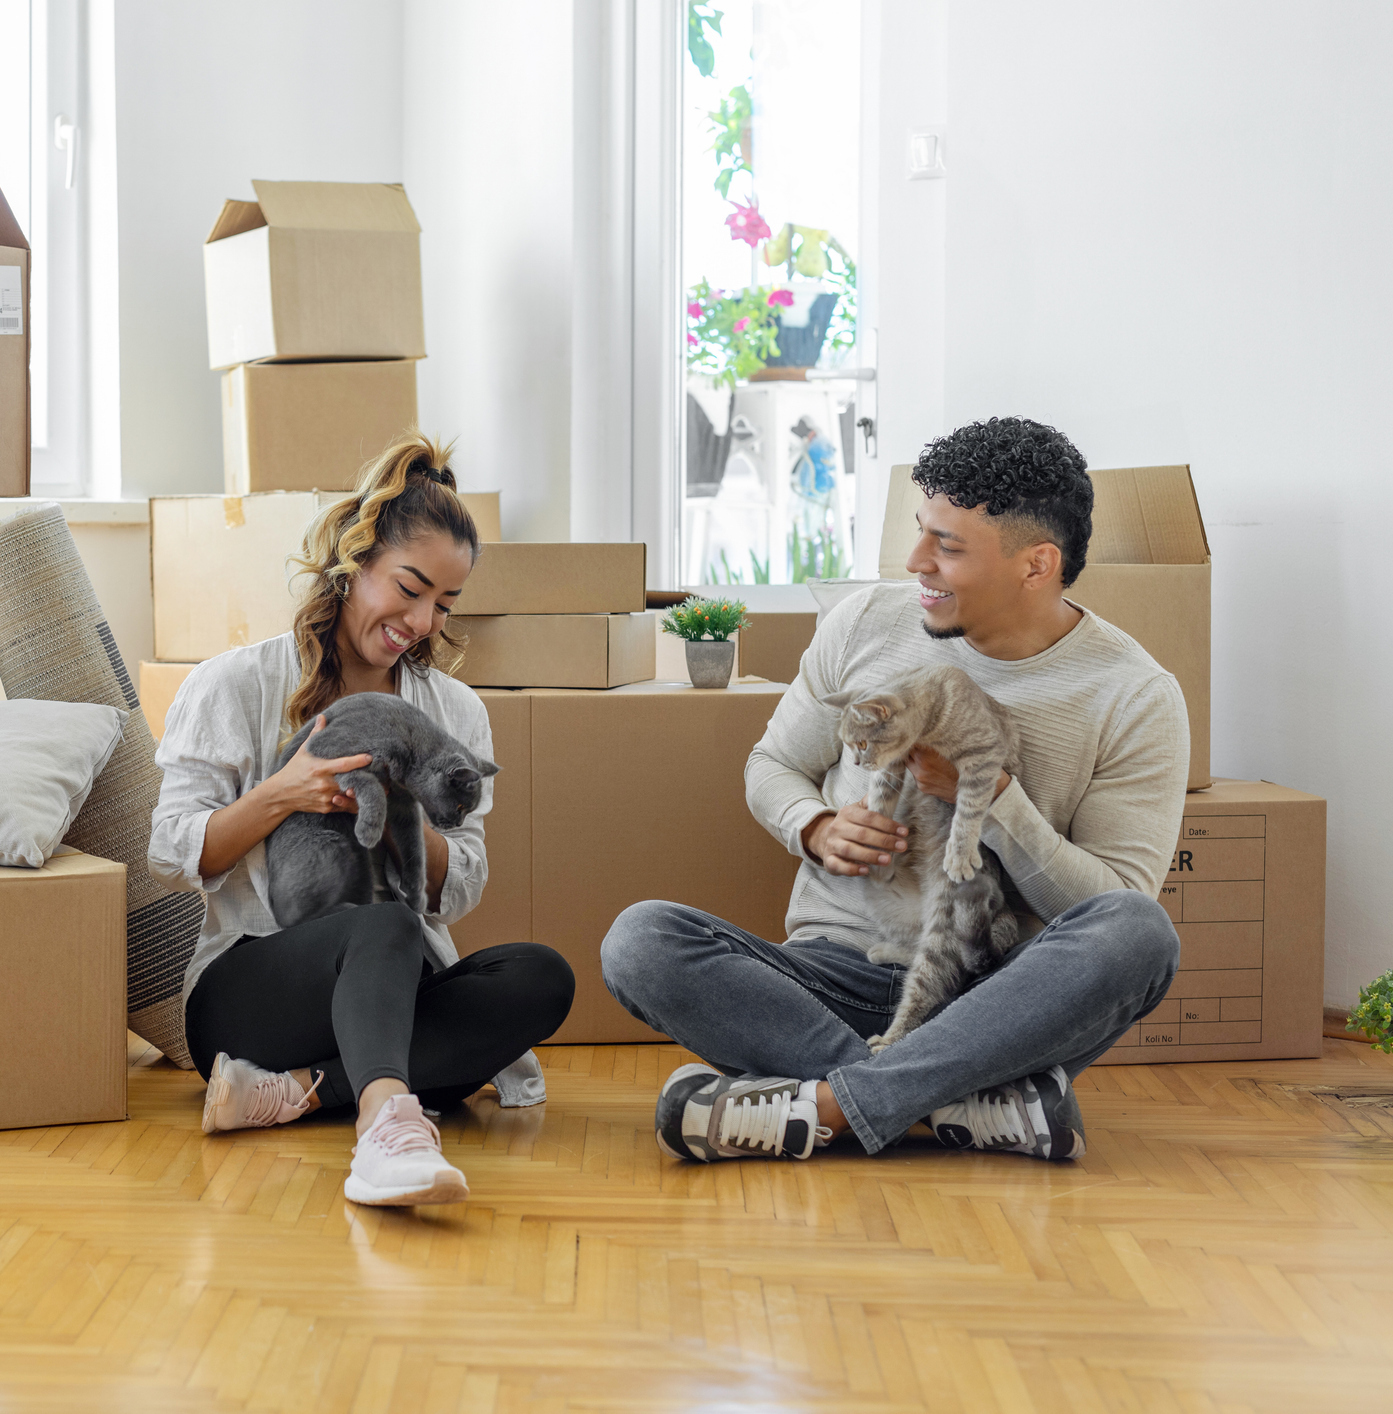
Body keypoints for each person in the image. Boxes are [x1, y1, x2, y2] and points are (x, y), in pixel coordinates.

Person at [602, 416, 1187, 1164]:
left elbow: (1106, 902)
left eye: (947, 546)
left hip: (996, 995)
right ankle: (955, 1105)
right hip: (833, 972)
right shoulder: (866, 622)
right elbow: (771, 765)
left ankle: (825, 1107)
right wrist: (813, 826)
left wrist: (994, 796)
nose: (915, 562)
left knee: (1137, 934)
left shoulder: (1133, 695)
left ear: (1035, 565)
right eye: (920, 532)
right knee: (641, 938)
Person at [148, 434, 575, 1206]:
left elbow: (466, 883)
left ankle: (300, 1092)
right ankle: (386, 1126)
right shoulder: (233, 684)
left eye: (442, 605)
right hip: (252, 987)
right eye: (408, 589)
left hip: (392, 985)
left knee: (541, 979)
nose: (419, 621)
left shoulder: (452, 711)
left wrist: (408, 808)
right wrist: (284, 793)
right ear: (355, 561)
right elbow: (173, 854)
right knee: (383, 928)